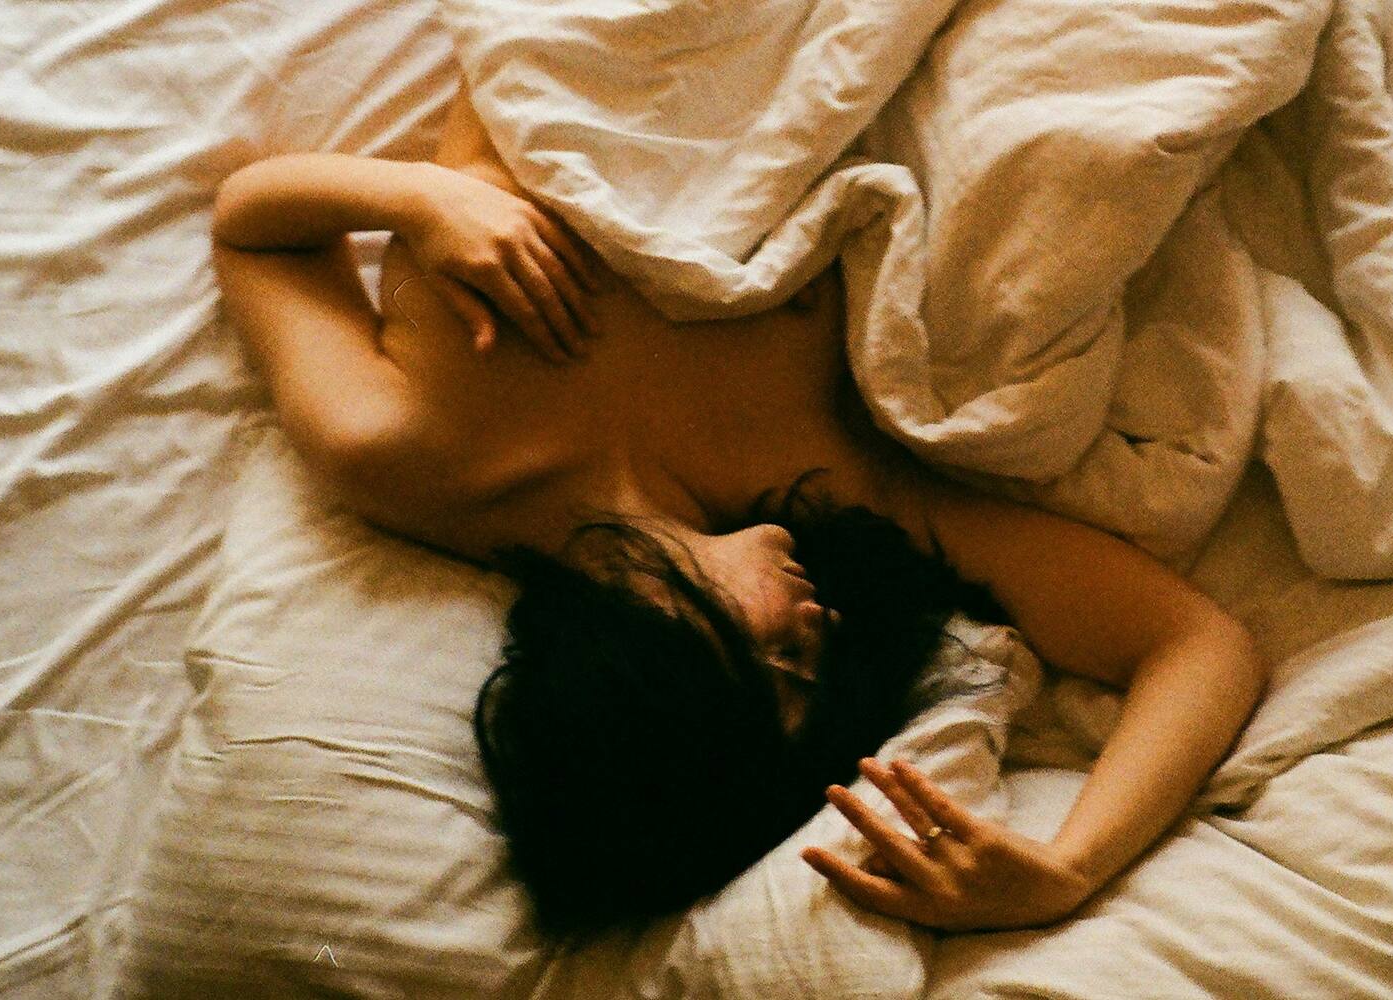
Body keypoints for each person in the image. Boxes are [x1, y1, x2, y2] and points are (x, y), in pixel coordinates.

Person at [210, 88, 1264, 942]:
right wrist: (1068, 867)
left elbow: (254, 228)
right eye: (819, 663)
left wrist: (416, 199)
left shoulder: (407, 455)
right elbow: (1193, 646)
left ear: (652, 657)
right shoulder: (830, 483)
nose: (822, 625)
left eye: (781, 660)